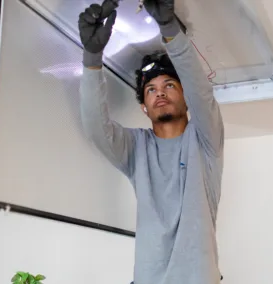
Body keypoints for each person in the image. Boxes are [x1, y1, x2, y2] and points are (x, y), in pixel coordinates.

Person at [78, 0, 224, 283]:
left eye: (170, 85)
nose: (160, 93)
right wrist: (92, 57)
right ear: (144, 106)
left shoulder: (206, 140)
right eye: (151, 89)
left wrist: (169, 28)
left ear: (185, 97)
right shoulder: (135, 149)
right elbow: (96, 127)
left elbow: (202, 93)